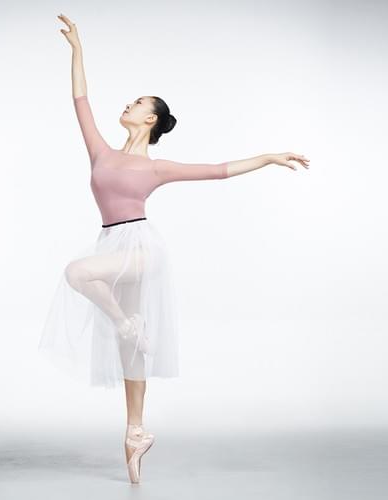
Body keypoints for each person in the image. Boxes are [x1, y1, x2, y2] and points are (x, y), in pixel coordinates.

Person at [38, 14, 310, 484]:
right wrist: (78, 51)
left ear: (150, 119)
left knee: (78, 274)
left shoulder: (158, 168)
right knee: (129, 346)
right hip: (111, 241)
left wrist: (268, 157)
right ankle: (136, 432)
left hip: (140, 247)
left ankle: (128, 323)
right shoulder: (101, 151)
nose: (128, 104)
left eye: (137, 102)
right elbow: (80, 101)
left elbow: (218, 170)